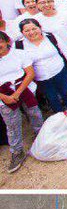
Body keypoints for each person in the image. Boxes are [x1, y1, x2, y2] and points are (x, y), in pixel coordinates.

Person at [0, 29, 41, 173]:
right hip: (3, 95)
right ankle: (17, 152)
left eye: (0, 42)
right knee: (12, 124)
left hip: (23, 88)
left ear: (7, 42)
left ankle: (40, 135)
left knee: (34, 113)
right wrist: (4, 97)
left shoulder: (19, 54)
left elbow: (30, 73)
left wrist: (17, 92)